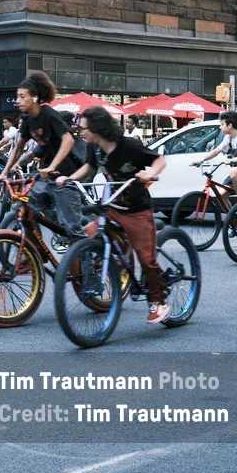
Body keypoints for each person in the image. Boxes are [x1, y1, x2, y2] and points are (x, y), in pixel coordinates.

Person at [58, 106, 169, 323]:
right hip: (112, 207)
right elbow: (89, 167)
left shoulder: (129, 145)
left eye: (84, 128)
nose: (81, 133)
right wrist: (70, 179)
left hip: (137, 211)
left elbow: (159, 160)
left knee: (147, 260)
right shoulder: (95, 147)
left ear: (98, 128)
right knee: (88, 236)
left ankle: (160, 301)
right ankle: (107, 273)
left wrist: (150, 173)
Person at [0, 71, 88, 238]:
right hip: (46, 175)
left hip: (66, 175)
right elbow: (19, 148)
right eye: (17, 96)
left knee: (72, 230)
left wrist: (53, 166)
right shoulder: (27, 119)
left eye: (22, 96)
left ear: (34, 97)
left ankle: (86, 258)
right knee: (22, 209)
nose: (17, 101)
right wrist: (4, 172)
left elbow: (68, 140)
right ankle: (31, 256)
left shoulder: (49, 114)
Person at [191, 111, 237, 199]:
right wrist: (202, 159)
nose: (220, 127)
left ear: (230, 125)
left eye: (222, 124)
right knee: (220, 196)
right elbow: (216, 151)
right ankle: (233, 212)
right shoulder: (228, 138)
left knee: (233, 172)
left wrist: (232, 160)